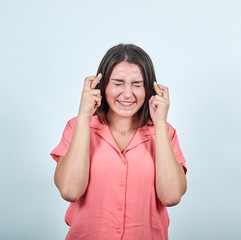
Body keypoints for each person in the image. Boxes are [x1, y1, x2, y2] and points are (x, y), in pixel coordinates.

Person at [50, 43, 187, 240]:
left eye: (137, 85)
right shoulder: (77, 126)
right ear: (102, 85)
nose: (127, 93)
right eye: (118, 83)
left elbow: (171, 197)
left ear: (150, 89)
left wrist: (160, 125)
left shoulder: (165, 132)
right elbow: (70, 191)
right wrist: (83, 117)